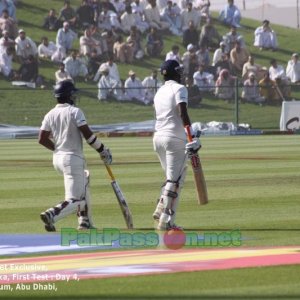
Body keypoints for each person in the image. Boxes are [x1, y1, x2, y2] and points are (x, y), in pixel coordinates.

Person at [38, 80, 112, 232]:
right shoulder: (75, 111)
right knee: (75, 201)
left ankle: (84, 222)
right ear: (69, 95)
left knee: (84, 180)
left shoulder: (50, 114)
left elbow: (42, 139)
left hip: (57, 159)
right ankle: (52, 214)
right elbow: (88, 135)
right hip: (72, 159)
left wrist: (57, 148)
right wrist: (103, 150)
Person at [152, 59, 201, 230]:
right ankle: (166, 221)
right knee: (175, 180)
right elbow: (183, 112)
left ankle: (160, 209)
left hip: (158, 138)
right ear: (176, 73)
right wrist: (190, 137)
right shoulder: (180, 89)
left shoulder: (159, 92)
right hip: (174, 139)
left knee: (173, 177)